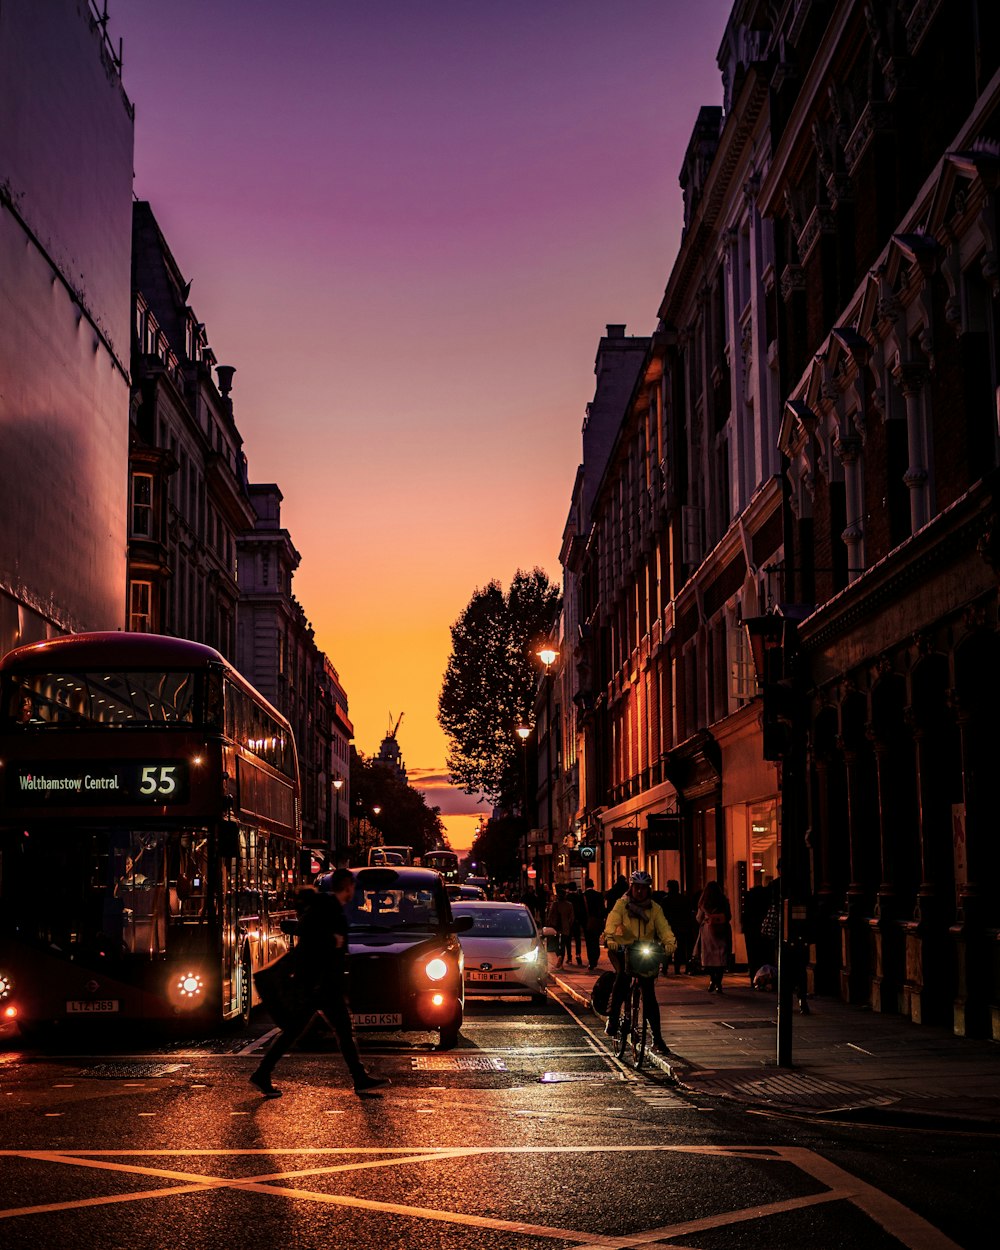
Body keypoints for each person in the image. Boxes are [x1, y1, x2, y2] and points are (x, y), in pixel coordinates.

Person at [249, 871, 390, 1099]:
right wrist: (331, 941)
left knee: (301, 1031)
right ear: (347, 886)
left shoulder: (326, 906)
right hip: (320, 984)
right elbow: (311, 938)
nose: (353, 892)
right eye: (352, 887)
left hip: (317, 983)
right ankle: (359, 1079)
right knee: (338, 1031)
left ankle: (262, 1074)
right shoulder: (328, 907)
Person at [602, 870, 676, 1054]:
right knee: (622, 977)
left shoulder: (655, 909)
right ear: (631, 888)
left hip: (643, 951)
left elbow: (664, 928)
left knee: (649, 995)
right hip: (622, 948)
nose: (640, 892)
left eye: (644, 888)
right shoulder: (622, 904)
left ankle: (657, 1039)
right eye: (637, 888)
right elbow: (612, 921)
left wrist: (670, 943)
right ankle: (612, 1017)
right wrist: (610, 938)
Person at [695, 880, 733, 994]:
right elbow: (729, 916)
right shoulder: (724, 902)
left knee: (709, 956)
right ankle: (718, 983)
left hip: (708, 931)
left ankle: (712, 980)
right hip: (722, 930)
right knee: (720, 956)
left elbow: (698, 918)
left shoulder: (703, 903)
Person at [658, 880, 694, 975]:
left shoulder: (666, 899)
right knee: (679, 948)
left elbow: (662, 914)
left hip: (669, 926)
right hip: (681, 926)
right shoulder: (683, 899)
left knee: (667, 947)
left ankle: (665, 967)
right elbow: (688, 912)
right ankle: (677, 968)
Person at [546, 883, 575, 970]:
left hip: (555, 927)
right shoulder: (569, 905)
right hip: (565, 927)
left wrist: (549, 923)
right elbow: (572, 917)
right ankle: (561, 962)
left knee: (554, 943)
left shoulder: (555, 904)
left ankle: (558, 955)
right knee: (563, 944)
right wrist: (569, 925)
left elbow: (550, 915)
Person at [582, 877, 605, 970]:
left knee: (589, 942)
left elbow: (581, 910)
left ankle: (591, 961)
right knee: (595, 941)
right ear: (593, 885)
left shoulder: (583, 896)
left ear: (586, 885)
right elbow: (602, 909)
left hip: (587, 922)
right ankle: (595, 959)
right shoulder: (599, 895)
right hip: (597, 922)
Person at [566, 880, 587, 966]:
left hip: (568, 921)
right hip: (577, 921)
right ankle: (578, 955)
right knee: (577, 938)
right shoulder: (579, 897)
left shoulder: (567, 897)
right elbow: (583, 909)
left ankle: (569, 957)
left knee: (568, 939)